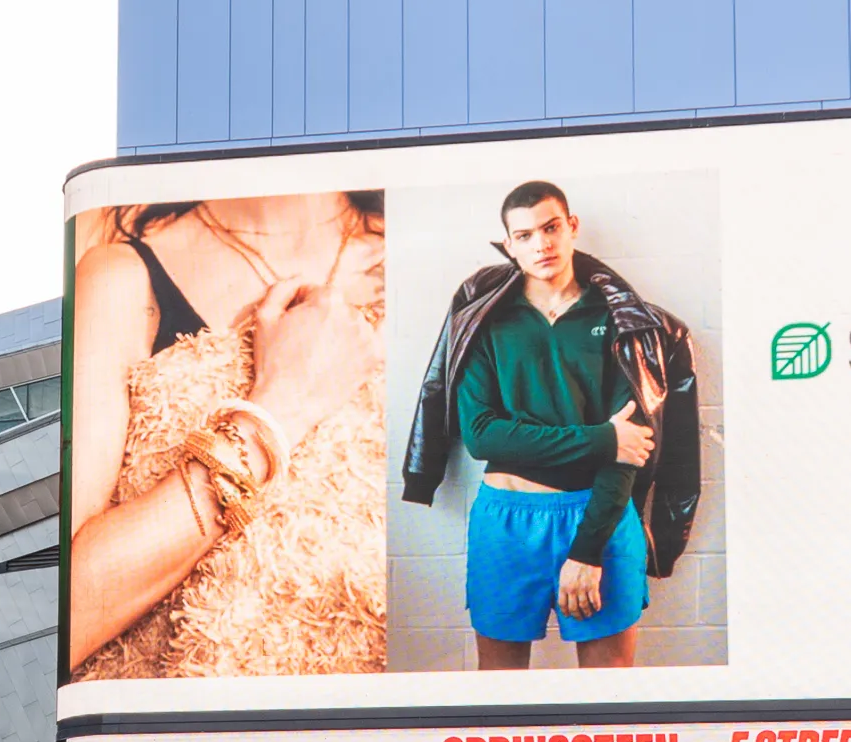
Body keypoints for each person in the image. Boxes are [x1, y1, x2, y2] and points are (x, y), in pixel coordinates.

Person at [66, 193, 389, 680]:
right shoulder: (121, 279)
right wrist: (280, 406)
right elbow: (71, 613)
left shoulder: (428, 252)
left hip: (391, 737)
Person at [399, 181, 704, 673]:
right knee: (500, 703)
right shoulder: (484, 316)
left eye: (550, 228)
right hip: (507, 520)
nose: (540, 244)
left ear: (571, 227)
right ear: (509, 244)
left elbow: (632, 450)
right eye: (524, 235)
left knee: (609, 704)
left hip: (600, 517)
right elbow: (482, 436)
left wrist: (587, 550)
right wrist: (601, 438)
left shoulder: (620, 317)